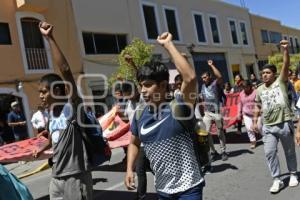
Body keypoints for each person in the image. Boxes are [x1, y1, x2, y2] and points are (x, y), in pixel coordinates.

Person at [125, 32, 204, 199]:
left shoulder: (179, 108)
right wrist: (129, 168)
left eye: (148, 85)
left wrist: (168, 44)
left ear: (162, 86)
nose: (143, 90)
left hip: (189, 187)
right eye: (141, 85)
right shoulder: (140, 115)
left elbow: (190, 78)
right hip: (162, 190)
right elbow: (133, 143)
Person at [34, 22, 93, 200]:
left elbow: (66, 72)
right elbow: (54, 139)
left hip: (75, 178)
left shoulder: (72, 108)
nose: (41, 96)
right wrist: (41, 148)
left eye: (44, 92)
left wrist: (49, 38)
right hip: (56, 178)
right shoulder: (52, 116)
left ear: (58, 91)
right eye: (40, 93)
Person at [253, 40, 298, 194]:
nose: (264, 75)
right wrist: (254, 121)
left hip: (284, 123)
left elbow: (285, 65)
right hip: (268, 126)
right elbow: (257, 106)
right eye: (262, 73)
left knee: (289, 151)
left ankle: (293, 174)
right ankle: (277, 179)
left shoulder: (281, 82)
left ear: (274, 74)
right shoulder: (259, 89)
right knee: (270, 153)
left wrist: (285, 50)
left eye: (267, 73)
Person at [200, 60, 228, 162]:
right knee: (206, 133)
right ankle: (213, 152)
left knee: (220, 132)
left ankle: (223, 151)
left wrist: (212, 65)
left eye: (205, 77)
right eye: (202, 78)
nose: (203, 79)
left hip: (216, 112)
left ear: (209, 77)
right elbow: (203, 98)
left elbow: (220, 77)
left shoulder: (215, 84)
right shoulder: (202, 86)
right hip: (207, 112)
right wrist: (203, 109)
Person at [238, 80, 259, 149]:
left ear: (250, 86)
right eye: (243, 87)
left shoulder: (255, 92)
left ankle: (266, 137)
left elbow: (259, 103)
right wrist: (239, 112)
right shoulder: (241, 94)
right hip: (246, 114)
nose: (244, 89)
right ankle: (253, 141)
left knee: (259, 127)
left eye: (246, 87)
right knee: (249, 128)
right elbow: (239, 103)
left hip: (257, 113)